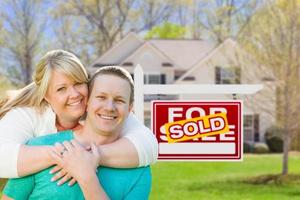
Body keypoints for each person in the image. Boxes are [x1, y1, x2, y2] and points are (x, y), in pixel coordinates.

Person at [0, 50, 157, 184]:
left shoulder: (103, 110)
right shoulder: (28, 115)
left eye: (78, 83)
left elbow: (149, 147)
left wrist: (89, 157)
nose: (74, 94)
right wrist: (66, 156)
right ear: (46, 96)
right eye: (61, 89)